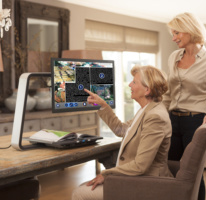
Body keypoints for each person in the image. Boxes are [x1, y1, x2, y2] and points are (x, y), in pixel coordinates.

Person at [72, 65, 173, 200]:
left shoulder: (155, 117)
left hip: (148, 183)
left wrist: (107, 174)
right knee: (85, 188)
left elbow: (141, 165)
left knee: (80, 193)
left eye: (134, 82)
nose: (130, 85)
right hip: (136, 177)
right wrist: (103, 105)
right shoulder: (147, 110)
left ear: (147, 90)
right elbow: (121, 129)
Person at [163, 12, 206, 200]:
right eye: (172, 34)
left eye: (177, 33)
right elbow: (168, 93)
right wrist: (159, 113)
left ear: (190, 30)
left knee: (193, 171)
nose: (173, 38)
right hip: (172, 120)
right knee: (170, 167)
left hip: (196, 121)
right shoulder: (174, 56)